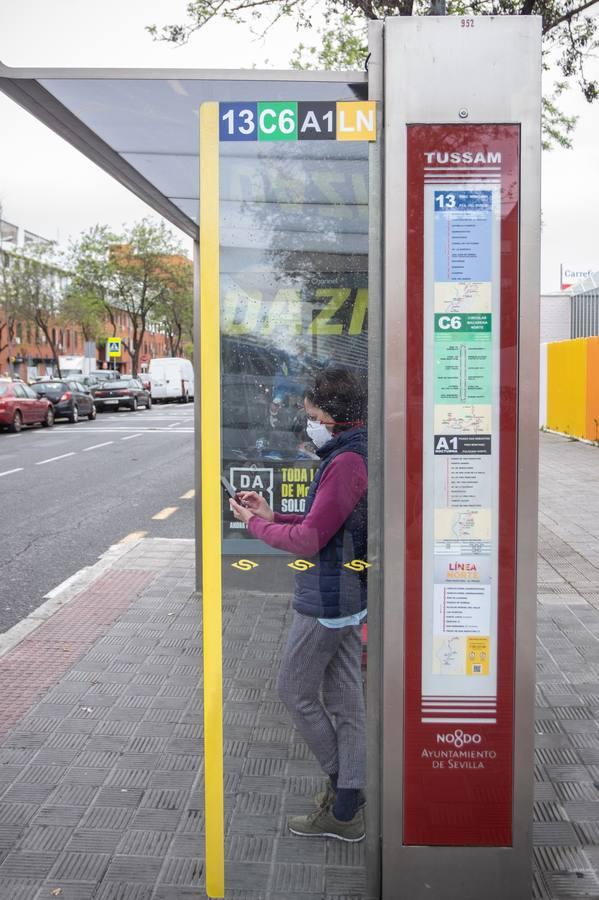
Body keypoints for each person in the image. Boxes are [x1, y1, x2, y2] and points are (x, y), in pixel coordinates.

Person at [229, 366, 368, 842]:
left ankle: (341, 790)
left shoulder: (348, 461)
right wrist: (272, 513)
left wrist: (254, 526)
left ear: (332, 416)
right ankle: (349, 803)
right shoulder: (353, 452)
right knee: (347, 699)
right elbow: (325, 522)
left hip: (329, 596)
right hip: (348, 594)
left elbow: (310, 539)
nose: (305, 423)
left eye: (310, 415)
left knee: (293, 689)